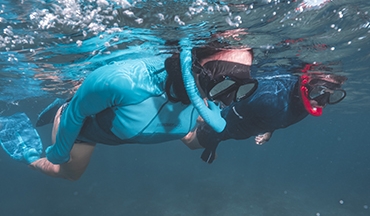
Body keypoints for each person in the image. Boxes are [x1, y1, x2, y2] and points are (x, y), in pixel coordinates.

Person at [12, 40, 257, 180]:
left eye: (240, 86)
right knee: (66, 171)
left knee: (195, 140)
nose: (227, 97)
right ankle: (28, 152)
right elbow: (77, 115)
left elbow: (198, 135)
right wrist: (57, 153)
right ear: (196, 63)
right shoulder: (124, 82)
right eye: (223, 81)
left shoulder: (206, 101)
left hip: (136, 124)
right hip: (84, 127)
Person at [182, 63, 347, 163]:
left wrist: (269, 131)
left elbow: (277, 117)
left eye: (330, 96)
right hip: (226, 124)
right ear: (307, 82)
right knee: (191, 143)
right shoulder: (269, 97)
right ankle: (178, 116)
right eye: (319, 91)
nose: (322, 102)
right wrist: (212, 138)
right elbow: (231, 113)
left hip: (239, 126)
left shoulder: (304, 106)